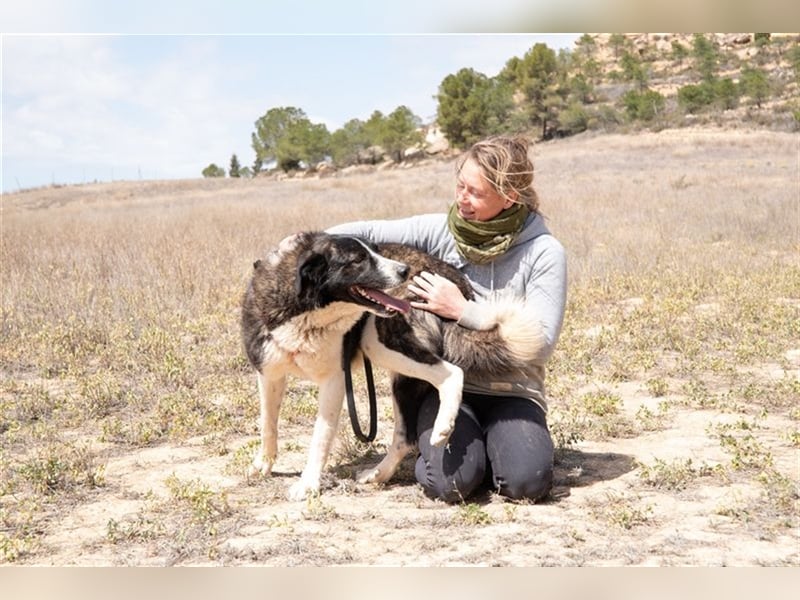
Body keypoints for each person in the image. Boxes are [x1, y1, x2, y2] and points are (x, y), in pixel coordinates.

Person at [327, 135, 567, 503]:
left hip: (512, 392)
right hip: (443, 388)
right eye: (460, 186)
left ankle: (492, 453)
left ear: (509, 197)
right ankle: (465, 457)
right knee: (450, 485)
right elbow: (367, 233)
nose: (462, 199)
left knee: (526, 484)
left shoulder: (544, 252)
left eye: (476, 193)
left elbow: (542, 342)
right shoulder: (441, 231)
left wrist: (461, 310)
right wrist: (303, 247)